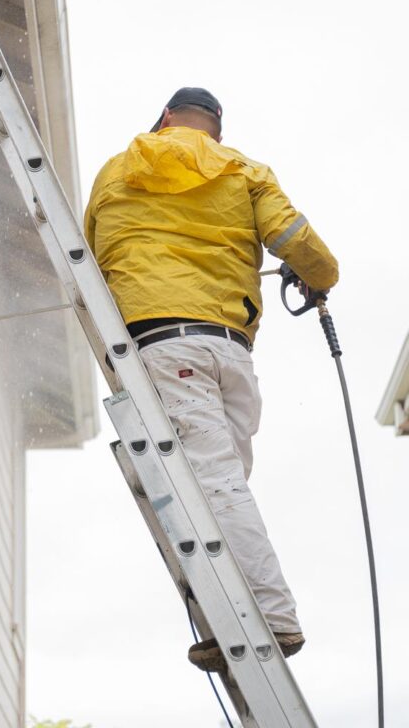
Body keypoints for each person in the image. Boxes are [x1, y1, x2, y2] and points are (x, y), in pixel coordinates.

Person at [84, 87, 339, 672]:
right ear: (215, 132)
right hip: (230, 349)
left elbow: (91, 258)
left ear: (165, 118)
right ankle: (232, 617)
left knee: (212, 485)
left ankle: (270, 618)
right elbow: (294, 240)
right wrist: (320, 277)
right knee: (224, 482)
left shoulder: (121, 167)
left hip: (162, 340)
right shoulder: (242, 168)